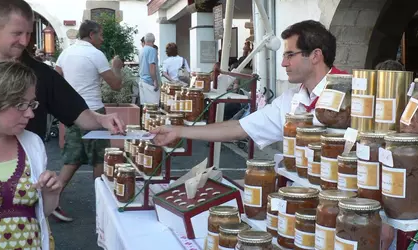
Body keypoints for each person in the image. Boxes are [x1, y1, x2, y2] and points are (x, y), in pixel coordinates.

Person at [151, 20, 396, 250]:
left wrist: (382, 217)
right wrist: (180, 131)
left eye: (290, 54)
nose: (283, 63)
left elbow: (386, 157)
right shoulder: (292, 100)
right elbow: (239, 128)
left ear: (316, 55)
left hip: (355, 217)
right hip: (308, 210)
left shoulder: (355, 96)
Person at [0, 0, 126, 221]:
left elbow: (76, 111)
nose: (25, 41)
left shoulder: (39, 73)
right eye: (17, 33)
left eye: (28, 33)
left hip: (27, 193)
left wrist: (103, 119)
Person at [55, 19, 124, 218]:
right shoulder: (96, 54)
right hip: (94, 111)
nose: (102, 39)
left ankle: (53, 198)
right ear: (91, 35)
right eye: (100, 35)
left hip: (72, 113)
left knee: (72, 159)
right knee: (99, 159)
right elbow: (116, 85)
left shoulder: (66, 53)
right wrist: (117, 67)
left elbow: (56, 81)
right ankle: (102, 206)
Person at [0, 60, 63, 250]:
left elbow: (41, 213)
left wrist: (51, 194)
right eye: (21, 104)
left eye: (32, 104)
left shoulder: (32, 144)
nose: (30, 114)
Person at [138, 33, 160, 104]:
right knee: (153, 107)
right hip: (149, 83)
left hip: (142, 81)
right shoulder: (152, 50)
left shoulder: (141, 50)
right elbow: (152, 67)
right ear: (153, 41)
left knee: (145, 108)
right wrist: (155, 81)